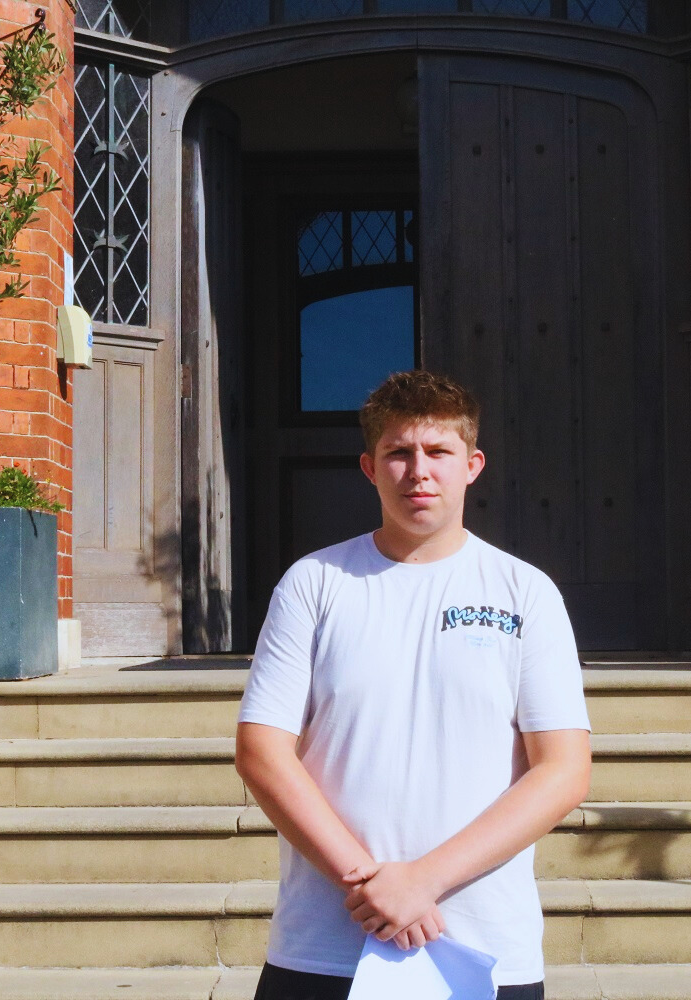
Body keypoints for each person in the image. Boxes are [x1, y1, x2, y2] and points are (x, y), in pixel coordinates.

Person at [235, 369, 593, 1000]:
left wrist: (424, 880)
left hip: (481, 952)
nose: (419, 472)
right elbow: (262, 751)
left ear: (472, 465)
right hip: (326, 947)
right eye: (399, 453)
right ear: (370, 468)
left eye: (438, 452)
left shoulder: (525, 592)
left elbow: (562, 770)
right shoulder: (313, 583)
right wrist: (368, 883)